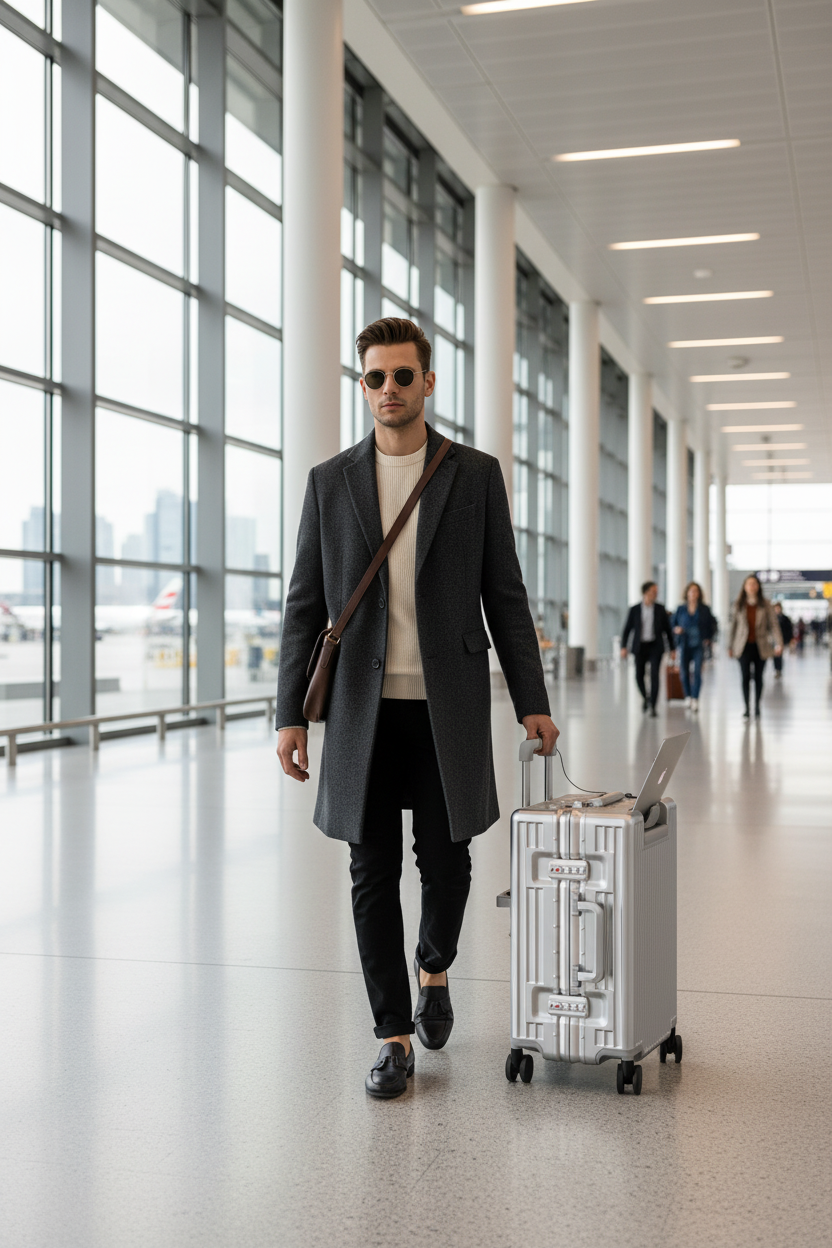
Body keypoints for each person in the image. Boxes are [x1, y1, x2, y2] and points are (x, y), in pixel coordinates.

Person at [274, 317, 559, 1099]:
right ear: (360, 385)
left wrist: (531, 699)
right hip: (364, 712)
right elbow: (304, 606)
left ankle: (434, 967)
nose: (389, 390)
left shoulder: (471, 475)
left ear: (428, 383)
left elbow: (505, 594)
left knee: (449, 862)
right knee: (371, 874)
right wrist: (288, 716)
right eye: (375, 377)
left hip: (448, 709)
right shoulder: (330, 482)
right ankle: (392, 1035)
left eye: (403, 376)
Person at [727, 575, 783, 719]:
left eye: (754, 584)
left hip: (760, 646)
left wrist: (779, 643)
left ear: (758, 587)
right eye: (749, 584)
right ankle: (746, 707)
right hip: (743, 646)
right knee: (745, 676)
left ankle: (757, 706)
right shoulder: (739, 604)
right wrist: (730, 646)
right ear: (744, 587)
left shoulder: (766, 604)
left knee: (759, 677)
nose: (752, 587)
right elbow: (733, 627)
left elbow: (774, 625)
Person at [620, 581, 676, 717]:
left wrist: (672, 649)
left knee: (655, 675)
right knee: (639, 675)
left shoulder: (660, 609)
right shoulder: (634, 609)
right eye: (653, 591)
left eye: (656, 592)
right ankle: (646, 697)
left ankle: (653, 706)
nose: (655, 594)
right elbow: (627, 629)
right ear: (645, 593)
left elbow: (668, 631)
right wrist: (623, 647)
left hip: (655, 646)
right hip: (640, 646)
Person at [671, 582, 717, 711]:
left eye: (696, 591)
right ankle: (688, 696)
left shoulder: (704, 609)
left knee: (697, 672)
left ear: (699, 594)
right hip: (684, 643)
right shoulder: (680, 609)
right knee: (684, 671)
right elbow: (672, 624)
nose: (693, 594)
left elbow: (712, 625)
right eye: (691, 591)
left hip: (698, 644)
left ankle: (695, 698)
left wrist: (709, 638)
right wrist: (676, 629)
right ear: (687, 593)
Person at [772, 601, 793, 678]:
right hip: (774, 640)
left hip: (782, 640)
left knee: (779, 655)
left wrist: (789, 639)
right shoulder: (772, 619)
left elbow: (789, 629)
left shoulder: (785, 619)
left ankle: (779, 669)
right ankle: (776, 669)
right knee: (775, 655)